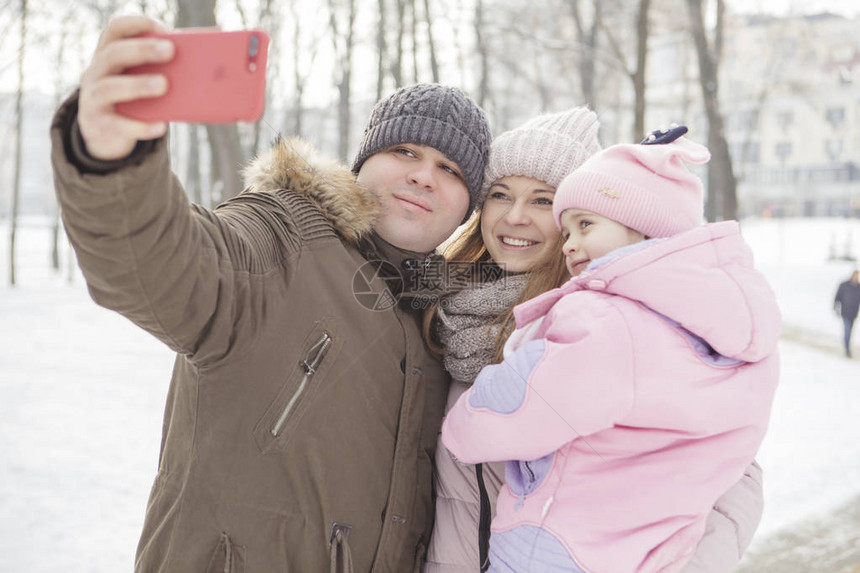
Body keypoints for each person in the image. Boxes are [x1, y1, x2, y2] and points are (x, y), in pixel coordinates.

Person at [50, 14, 491, 573]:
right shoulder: (283, 235)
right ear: (364, 162)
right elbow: (161, 265)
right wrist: (111, 161)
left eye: (449, 168)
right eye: (405, 152)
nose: (424, 176)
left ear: (467, 207)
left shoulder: (447, 325)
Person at [425, 116, 767, 573]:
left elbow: (732, 475)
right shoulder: (439, 311)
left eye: (543, 200)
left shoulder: (624, 319)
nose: (515, 216)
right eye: (500, 195)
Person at [834, 270, 860, 357]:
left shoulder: (858, 287)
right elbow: (837, 297)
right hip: (845, 312)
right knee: (847, 330)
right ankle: (847, 349)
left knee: (850, 330)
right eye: (855, 275)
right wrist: (837, 308)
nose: (856, 277)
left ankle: (847, 344)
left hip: (854, 313)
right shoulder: (844, 285)